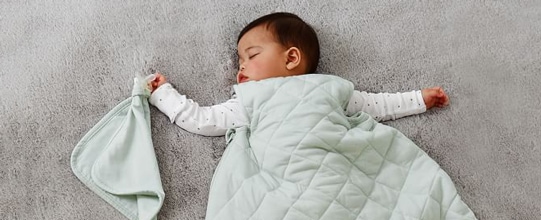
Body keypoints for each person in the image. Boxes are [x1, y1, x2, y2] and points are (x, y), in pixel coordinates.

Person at [148, 12, 449, 137]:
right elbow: (203, 120)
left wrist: (419, 99)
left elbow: (378, 106)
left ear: (292, 58)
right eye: (240, 60)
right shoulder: (250, 100)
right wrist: (163, 94)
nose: (241, 66)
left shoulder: (328, 89)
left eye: (252, 56)